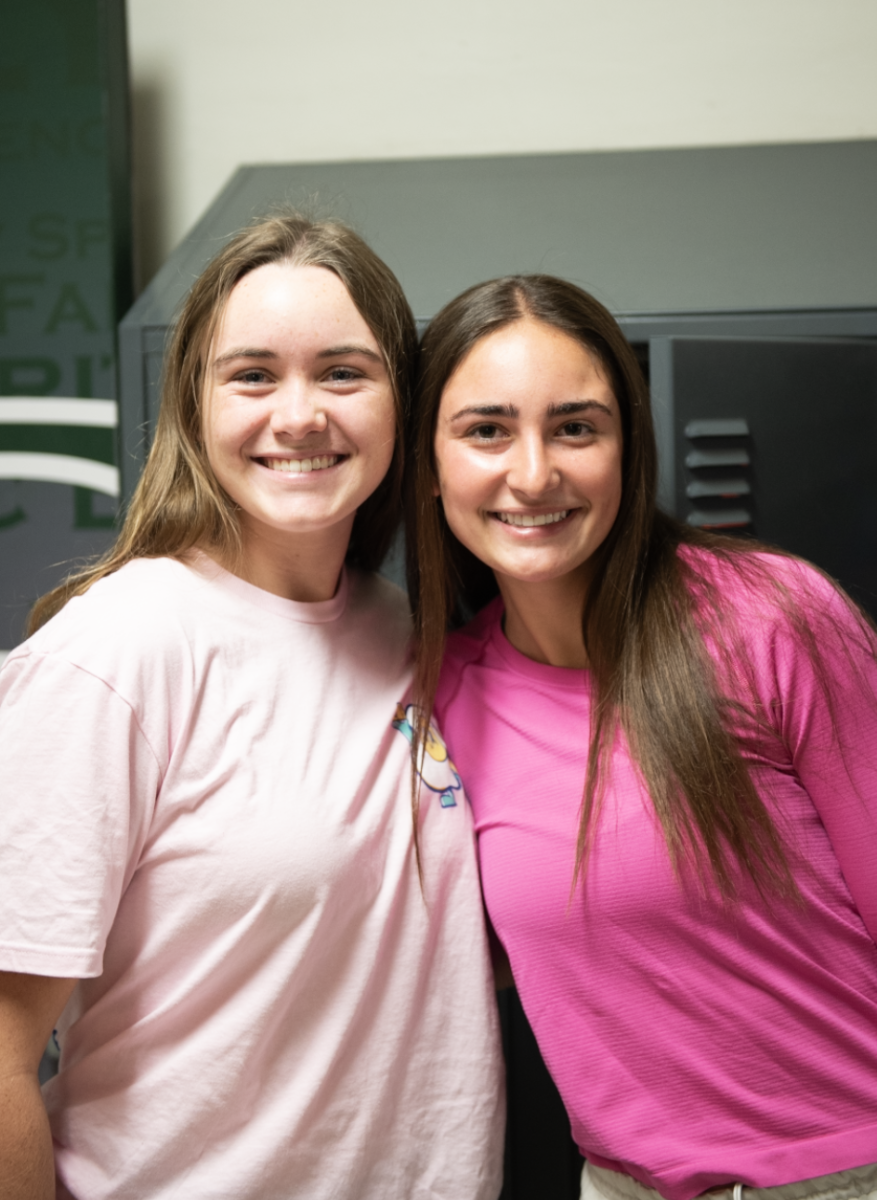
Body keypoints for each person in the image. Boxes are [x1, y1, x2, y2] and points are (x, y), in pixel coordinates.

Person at [0, 213, 504, 1200]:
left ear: (403, 406)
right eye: (254, 375)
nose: (300, 414)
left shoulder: (414, 638)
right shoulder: (114, 654)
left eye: (344, 373)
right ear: (193, 404)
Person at [405, 273, 877, 1200]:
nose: (533, 473)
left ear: (628, 447)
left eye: (576, 427)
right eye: (486, 429)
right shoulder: (441, 699)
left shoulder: (772, 617)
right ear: (428, 463)